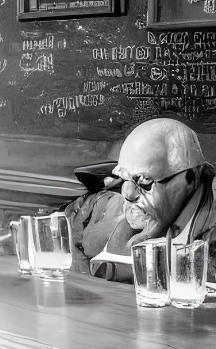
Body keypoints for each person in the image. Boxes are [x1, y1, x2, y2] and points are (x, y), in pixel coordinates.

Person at [64, 117, 216, 282]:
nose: (128, 193)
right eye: (124, 178)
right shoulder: (106, 214)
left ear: (191, 178)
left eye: (145, 181)